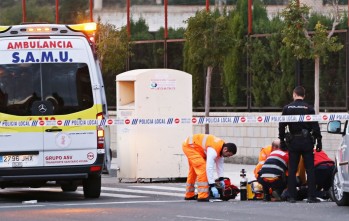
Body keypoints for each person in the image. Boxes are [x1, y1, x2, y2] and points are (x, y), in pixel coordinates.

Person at [279, 86, 322, 203]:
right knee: (310, 169)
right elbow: (315, 126)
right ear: (304, 95)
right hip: (307, 141)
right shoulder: (309, 108)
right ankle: (311, 196)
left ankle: (292, 196)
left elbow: (282, 125)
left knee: (292, 169)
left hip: (293, 142)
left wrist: (282, 141)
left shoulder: (287, 108)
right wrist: (319, 140)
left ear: (294, 94)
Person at [182, 134, 237, 202]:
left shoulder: (221, 150)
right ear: (225, 149)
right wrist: (212, 185)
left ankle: (189, 195)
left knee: (193, 171)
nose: (228, 157)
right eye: (228, 155)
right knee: (203, 169)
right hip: (190, 147)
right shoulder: (213, 150)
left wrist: (221, 179)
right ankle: (202, 196)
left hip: (194, 147)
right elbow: (209, 167)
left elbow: (220, 166)